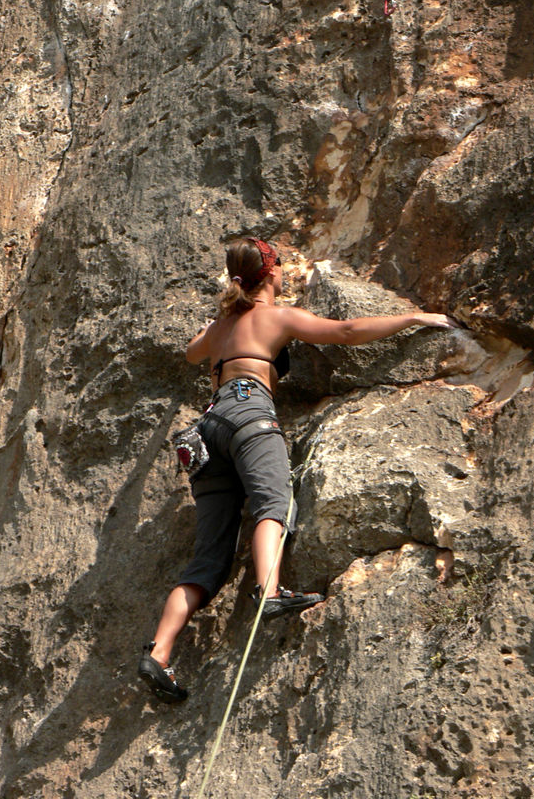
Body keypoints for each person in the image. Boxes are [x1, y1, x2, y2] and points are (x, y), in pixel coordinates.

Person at [138, 237, 454, 702]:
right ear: (270, 275)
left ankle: (159, 652)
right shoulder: (275, 316)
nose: (285, 273)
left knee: (208, 560)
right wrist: (411, 318)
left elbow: (190, 353)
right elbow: (344, 331)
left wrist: (220, 323)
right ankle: (270, 592)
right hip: (248, 412)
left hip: (207, 432)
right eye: (281, 267)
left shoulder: (224, 323)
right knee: (274, 501)